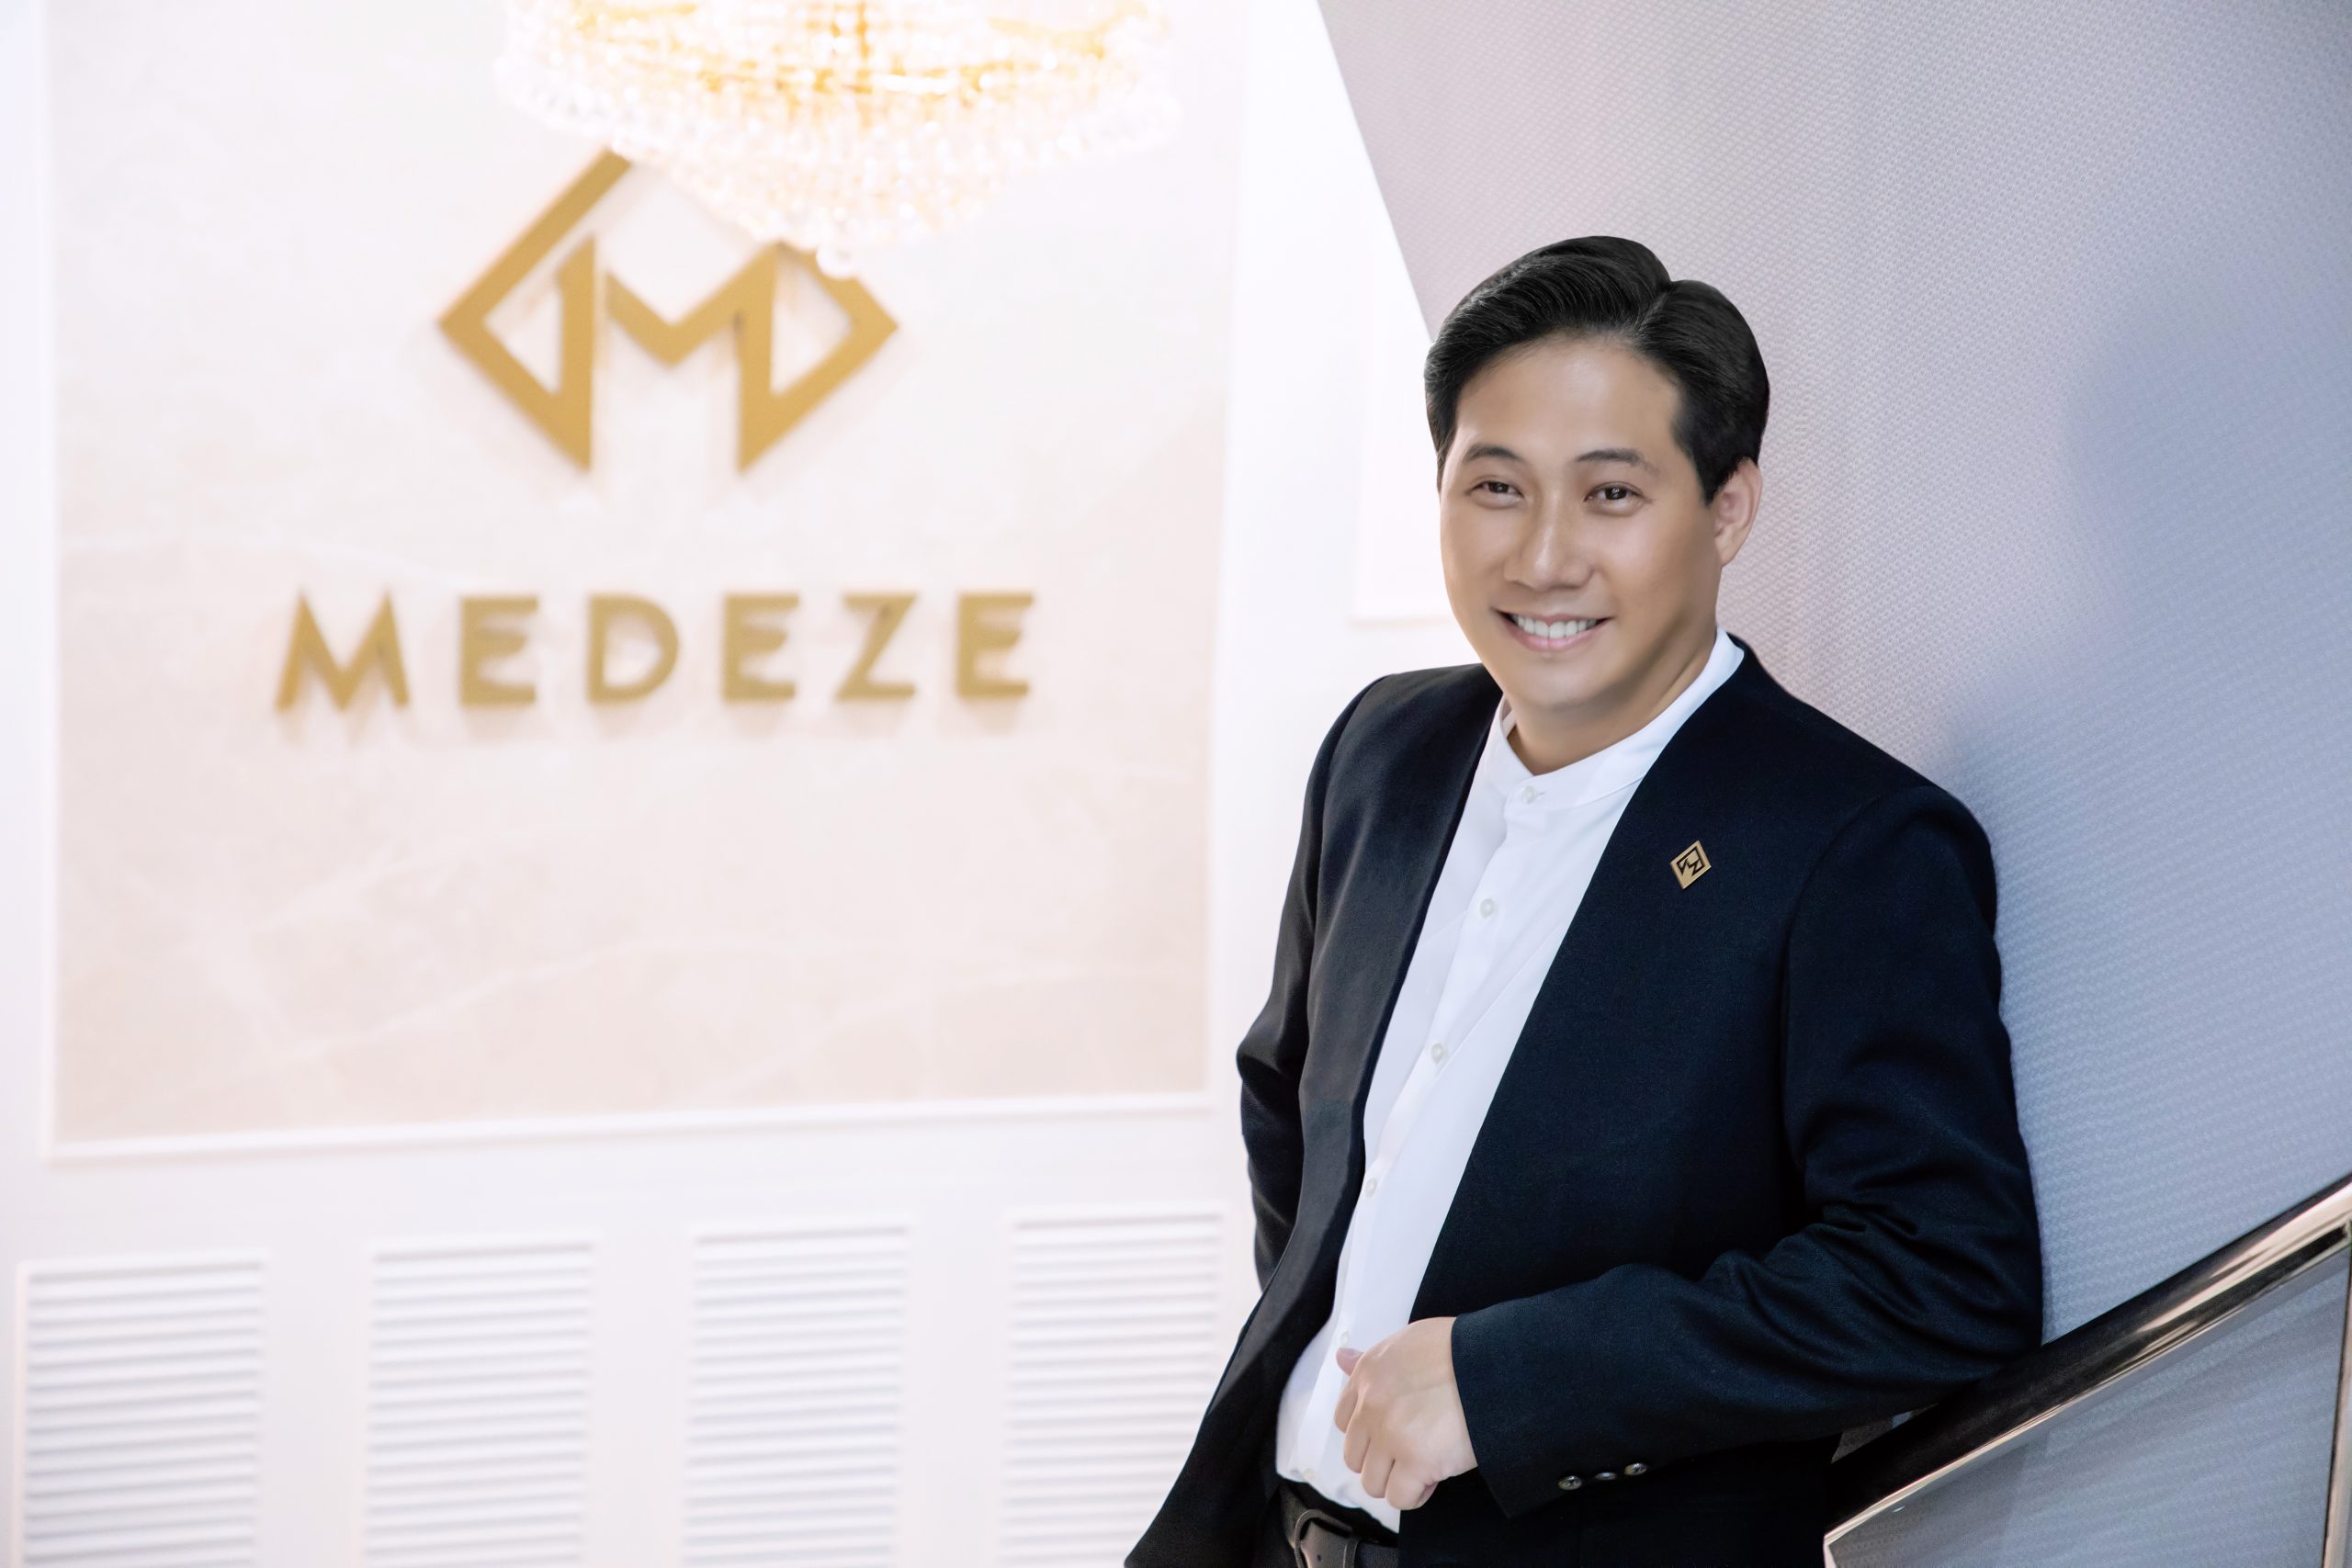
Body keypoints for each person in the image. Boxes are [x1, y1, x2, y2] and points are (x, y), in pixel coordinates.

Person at [1125, 236, 2044, 1568]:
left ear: (1727, 509)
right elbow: (1289, 1105)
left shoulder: (1854, 845)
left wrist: (1513, 1381)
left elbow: (1943, 1276)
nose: (1545, 557)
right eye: (1495, 487)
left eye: (1612, 494)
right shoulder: (1382, 751)